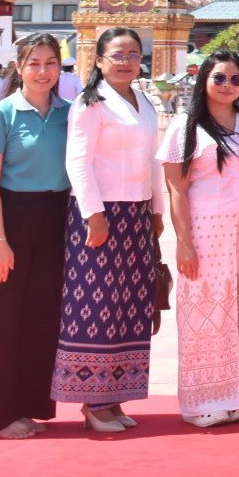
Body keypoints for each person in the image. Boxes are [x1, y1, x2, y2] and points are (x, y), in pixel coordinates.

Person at [52, 27, 164, 434]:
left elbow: (152, 160)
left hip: (136, 212)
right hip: (99, 213)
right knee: (95, 305)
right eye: (117, 54)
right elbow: (77, 161)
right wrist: (93, 215)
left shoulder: (144, 102)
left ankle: (115, 395)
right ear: (98, 60)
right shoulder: (89, 102)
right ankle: (92, 401)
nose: (126, 60)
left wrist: (156, 209)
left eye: (133, 54)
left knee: (129, 304)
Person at [0, 33, 71, 438]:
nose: (43, 72)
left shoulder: (70, 113)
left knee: (39, 319)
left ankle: (27, 405)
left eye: (50, 64)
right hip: (9, 219)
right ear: (19, 68)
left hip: (55, 219)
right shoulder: (2, 114)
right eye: (34, 64)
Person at [158, 50, 239, 428]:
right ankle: (203, 400)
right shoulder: (186, 126)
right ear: (204, 80)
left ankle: (236, 396)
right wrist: (183, 242)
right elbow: (175, 189)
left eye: (236, 79)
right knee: (206, 310)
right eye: (219, 77)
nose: (228, 85)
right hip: (206, 228)